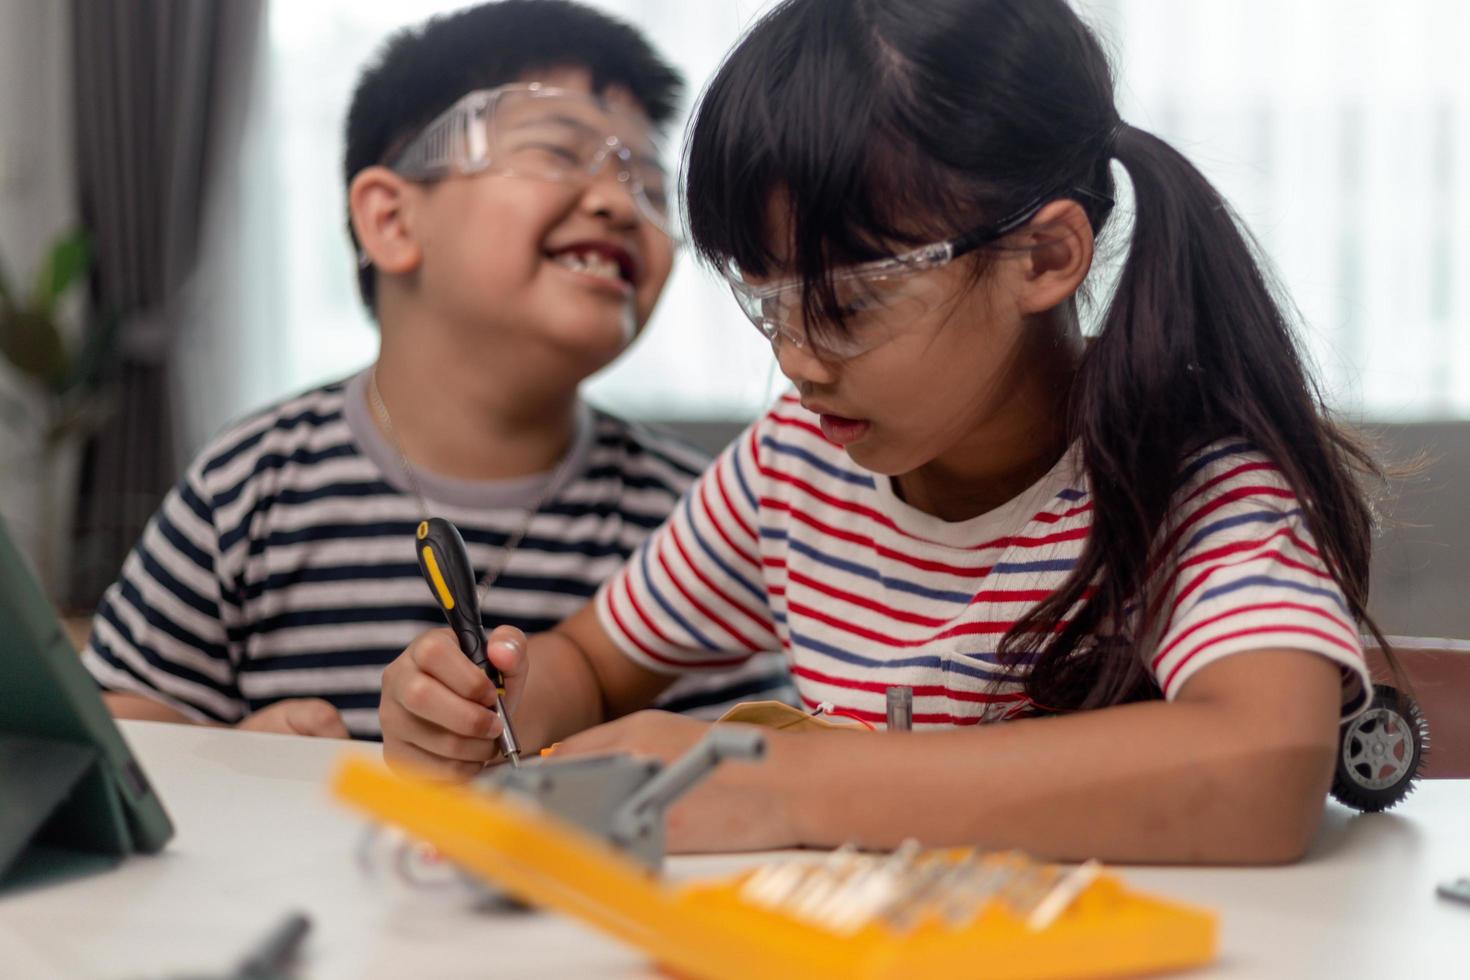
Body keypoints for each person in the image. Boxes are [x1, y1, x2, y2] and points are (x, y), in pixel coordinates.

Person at [379, 0, 1387, 864]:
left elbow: (1269, 765)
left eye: (848, 305)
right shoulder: (797, 464)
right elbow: (593, 661)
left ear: (1043, 256)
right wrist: (495, 701)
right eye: (764, 302)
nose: (797, 358)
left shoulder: (1182, 475)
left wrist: (782, 783)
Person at [82, 0, 792, 739]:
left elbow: (749, 767)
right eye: (557, 150)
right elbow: (121, 751)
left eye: (647, 182)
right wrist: (243, 767)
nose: (619, 202)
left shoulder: (697, 517)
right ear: (392, 221)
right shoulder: (250, 488)